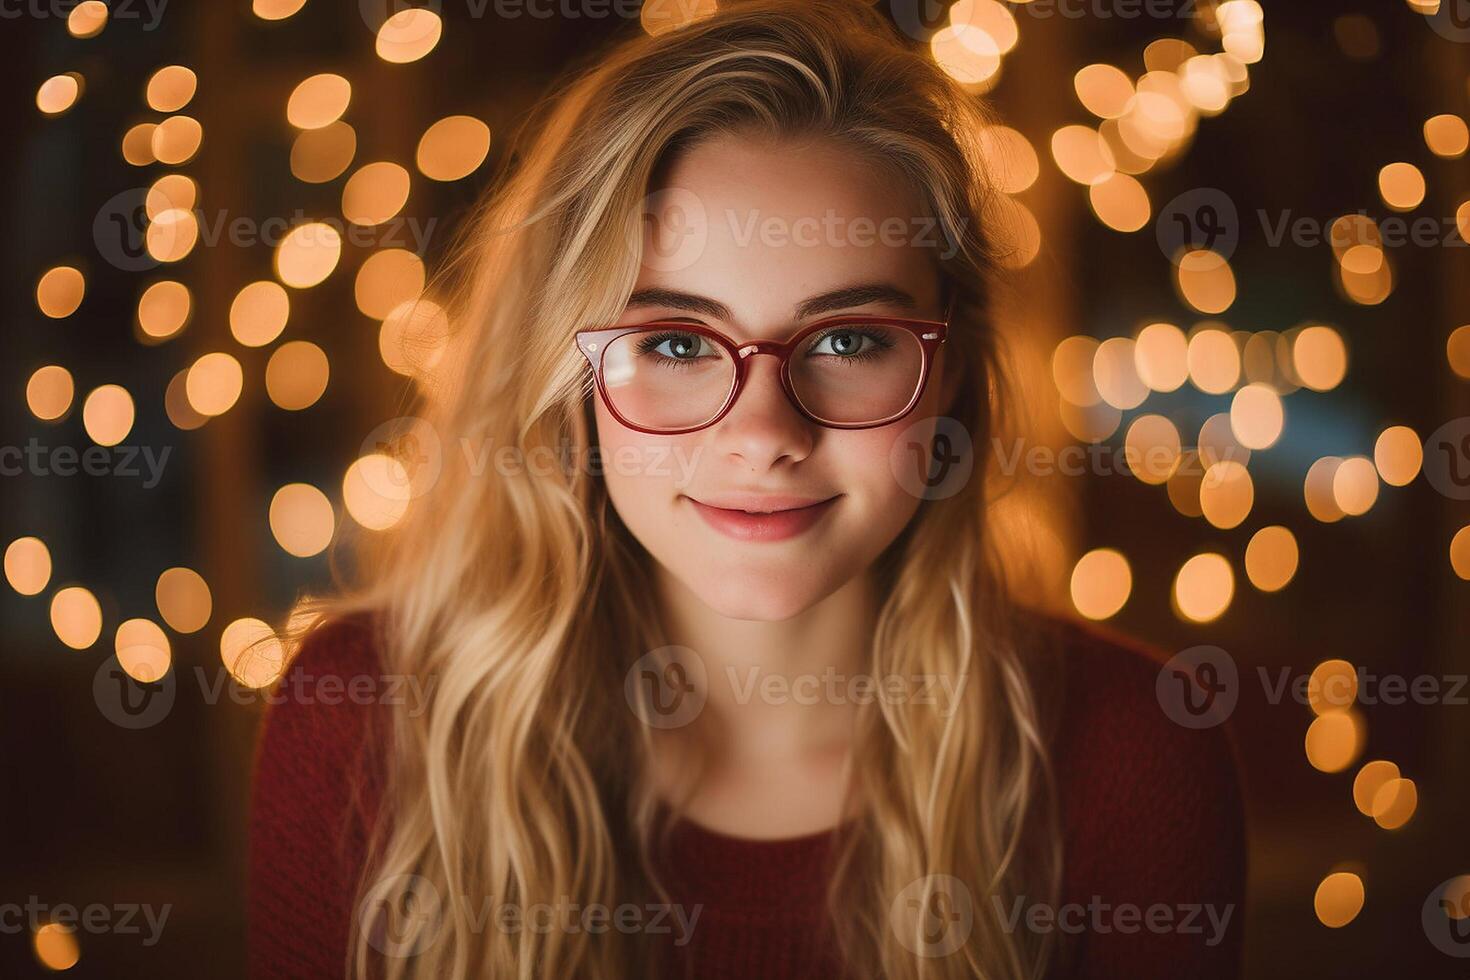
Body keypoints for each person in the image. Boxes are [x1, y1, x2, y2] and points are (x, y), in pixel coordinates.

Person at [247, 2, 1246, 977]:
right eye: (676, 342)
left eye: (851, 339)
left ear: (950, 368)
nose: (765, 435)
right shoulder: (366, 724)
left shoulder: (1134, 752)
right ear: (567, 377)